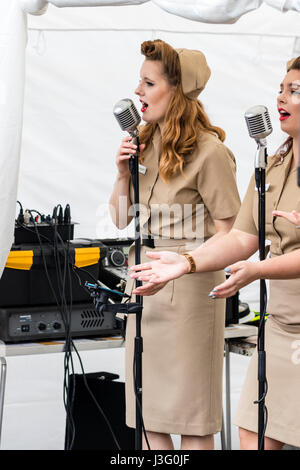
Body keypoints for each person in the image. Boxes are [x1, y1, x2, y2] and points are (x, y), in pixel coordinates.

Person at [130, 56, 300, 450]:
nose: (281, 97)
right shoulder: (273, 164)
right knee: (254, 431)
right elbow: (242, 237)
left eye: (295, 90)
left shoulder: (211, 152)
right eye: (280, 88)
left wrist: (259, 271)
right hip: (281, 324)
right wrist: (185, 262)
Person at [109, 39, 241, 450]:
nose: (137, 92)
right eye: (139, 82)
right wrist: (121, 173)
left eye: (148, 83)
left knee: (192, 419)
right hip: (144, 294)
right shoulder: (144, 142)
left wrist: (184, 261)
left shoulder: (210, 152)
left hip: (189, 296)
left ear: (177, 89)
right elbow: (119, 219)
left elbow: (232, 234)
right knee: (149, 415)